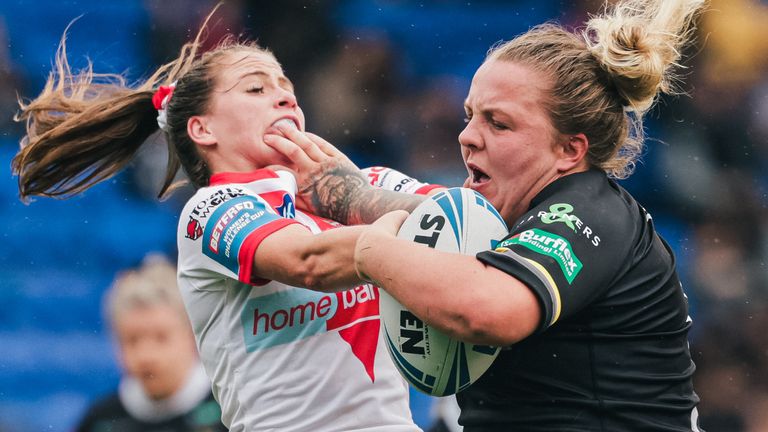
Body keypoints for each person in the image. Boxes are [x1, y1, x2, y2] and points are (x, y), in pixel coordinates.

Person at [262, 0, 709, 430]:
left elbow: (487, 311)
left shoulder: (589, 211)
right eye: (470, 115)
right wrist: (346, 195)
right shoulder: (516, 216)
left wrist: (367, 251)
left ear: (570, 150)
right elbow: (426, 217)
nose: (467, 137)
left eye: (498, 123)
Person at [11, 11, 419, 432]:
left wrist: (369, 199)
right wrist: (384, 215)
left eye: (287, 89)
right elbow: (308, 262)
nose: (286, 99)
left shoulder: (366, 181)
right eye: (257, 88)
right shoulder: (209, 210)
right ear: (203, 129)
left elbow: (466, 213)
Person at [76, 255, 227, 432]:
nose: (146, 355)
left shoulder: (228, 407)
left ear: (192, 335)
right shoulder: (101, 420)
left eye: (161, 337)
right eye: (132, 340)